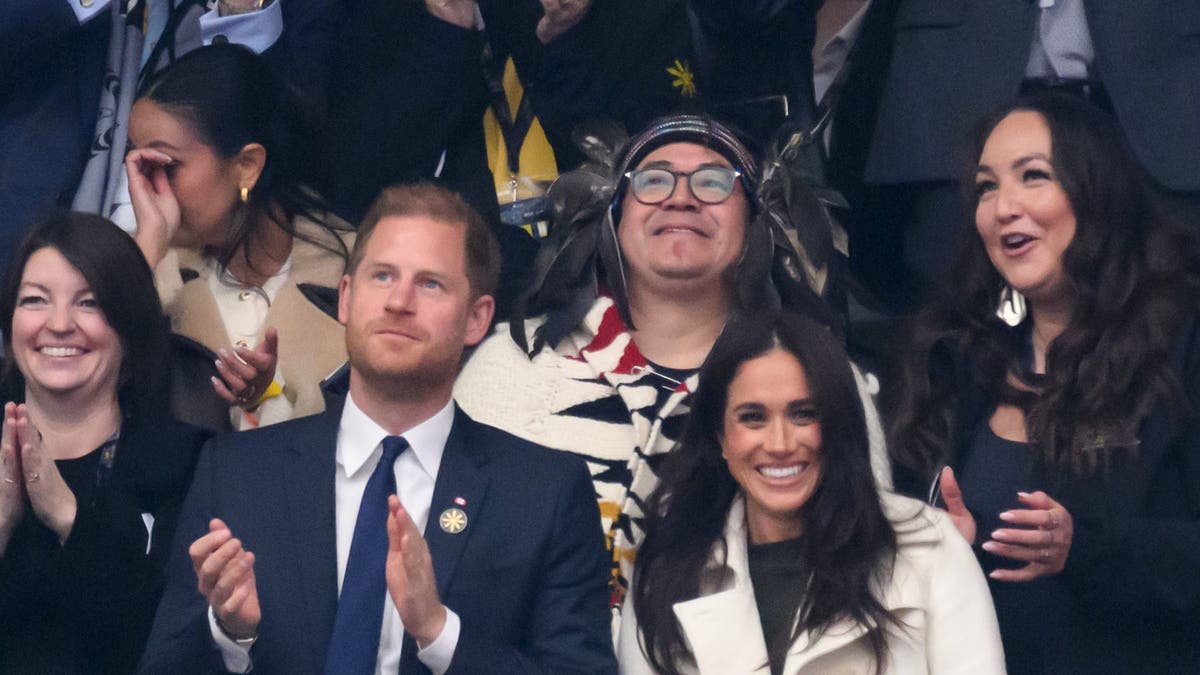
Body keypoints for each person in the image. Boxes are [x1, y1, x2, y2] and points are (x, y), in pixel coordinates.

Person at [139, 183, 615, 674]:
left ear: (477, 319)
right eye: (382, 276)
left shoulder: (544, 492)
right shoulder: (236, 472)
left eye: (431, 284)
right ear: (346, 298)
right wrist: (233, 635)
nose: (399, 302)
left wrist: (439, 633)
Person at [455, 113, 890, 618]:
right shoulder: (512, 367)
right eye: (653, 180)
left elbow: (863, 568)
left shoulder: (821, 376)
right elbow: (455, 559)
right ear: (612, 218)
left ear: (756, 224)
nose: (680, 197)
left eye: (713, 183)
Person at [886, 92, 1200, 674]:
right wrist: (946, 550)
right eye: (985, 187)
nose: (1003, 206)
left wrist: (1084, 550)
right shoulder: (956, 358)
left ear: (1097, 192)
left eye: (1033, 176)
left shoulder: (1183, 340)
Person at [618, 312, 1003, 674]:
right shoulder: (667, 567)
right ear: (720, 436)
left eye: (803, 414)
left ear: (838, 423)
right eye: (753, 417)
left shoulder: (928, 546)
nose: (780, 443)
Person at [0, 212, 211, 675]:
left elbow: (169, 646)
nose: (58, 324)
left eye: (89, 304)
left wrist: (67, 513)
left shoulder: (190, 464)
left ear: (131, 328)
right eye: (34, 300)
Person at [126, 43, 354, 430]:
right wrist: (142, 255)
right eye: (135, 165)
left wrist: (268, 392)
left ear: (247, 165)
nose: (146, 189)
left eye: (163, 165)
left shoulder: (364, 268)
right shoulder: (145, 267)